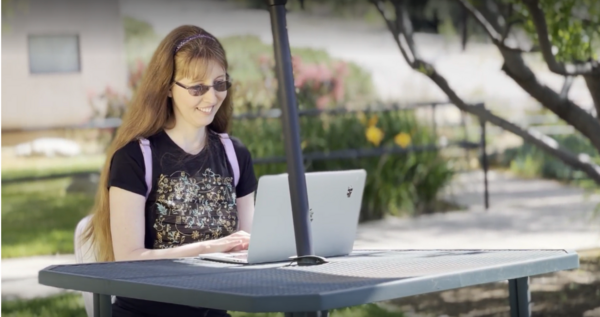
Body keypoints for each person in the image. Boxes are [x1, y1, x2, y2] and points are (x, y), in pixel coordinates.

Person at [81, 25, 257, 317]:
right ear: (167, 88)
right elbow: (129, 258)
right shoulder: (135, 158)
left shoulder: (235, 155)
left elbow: (247, 244)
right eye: (197, 87)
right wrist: (207, 248)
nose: (211, 98)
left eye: (219, 84)